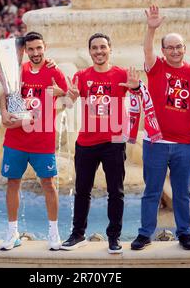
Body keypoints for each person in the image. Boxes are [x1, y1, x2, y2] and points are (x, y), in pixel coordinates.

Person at [130, 5, 190, 251]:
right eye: (170, 47)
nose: (175, 51)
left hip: (185, 143)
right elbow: (147, 49)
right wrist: (151, 29)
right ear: (164, 51)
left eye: (178, 46)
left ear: (185, 49)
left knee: (182, 192)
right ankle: (145, 233)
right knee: (151, 191)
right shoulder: (157, 67)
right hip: (156, 142)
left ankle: (184, 233)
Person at [60, 33, 140, 254]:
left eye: (103, 47)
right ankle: (77, 234)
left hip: (113, 142)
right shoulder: (82, 76)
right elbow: (67, 103)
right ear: (90, 52)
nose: (99, 51)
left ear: (110, 49)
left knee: (116, 192)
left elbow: (140, 99)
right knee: (82, 191)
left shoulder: (121, 74)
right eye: (94, 48)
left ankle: (113, 238)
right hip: (86, 142)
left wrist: (135, 88)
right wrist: (71, 95)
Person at [0, 31, 68, 251]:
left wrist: (61, 92)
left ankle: (54, 233)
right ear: (26, 50)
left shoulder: (54, 70)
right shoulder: (20, 70)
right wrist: (4, 112)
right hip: (16, 141)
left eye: (39, 48)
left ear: (45, 46)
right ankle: (12, 233)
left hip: (43, 141)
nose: (36, 53)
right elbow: (5, 94)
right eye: (31, 49)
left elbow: (68, 96)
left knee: (48, 184)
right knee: (13, 184)